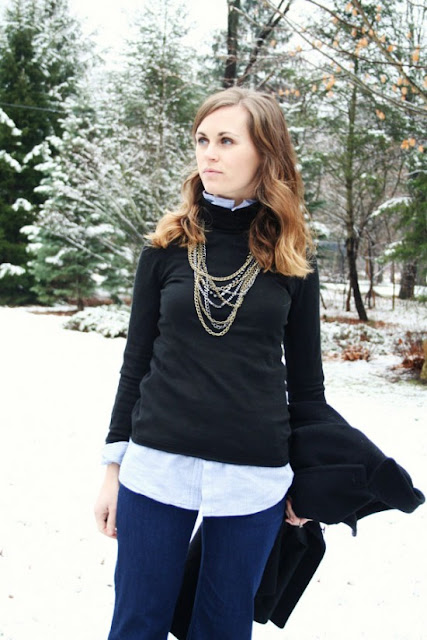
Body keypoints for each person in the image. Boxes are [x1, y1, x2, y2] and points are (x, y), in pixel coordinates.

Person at [94, 86, 322, 640]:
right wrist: (113, 470)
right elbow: (135, 364)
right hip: (156, 467)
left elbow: (307, 387)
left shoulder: (293, 259)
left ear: (265, 153)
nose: (209, 154)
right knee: (137, 623)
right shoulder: (165, 249)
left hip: (254, 477)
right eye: (202, 140)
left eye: (226, 141)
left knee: (222, 628)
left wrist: (310, 479)